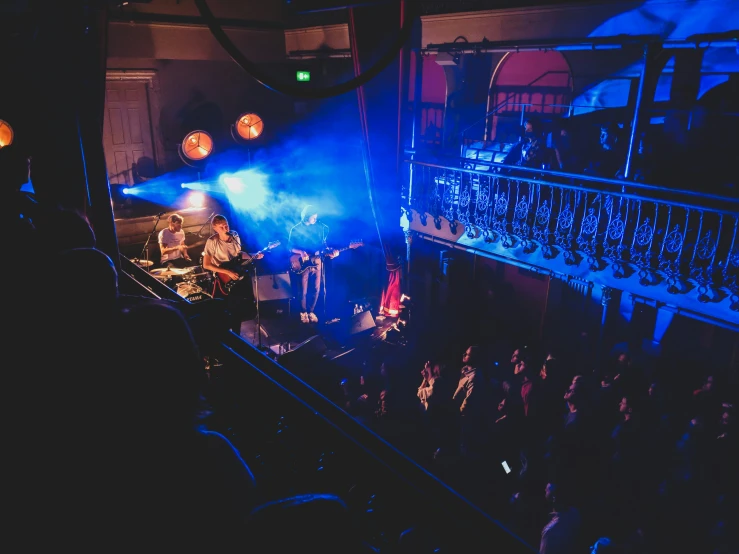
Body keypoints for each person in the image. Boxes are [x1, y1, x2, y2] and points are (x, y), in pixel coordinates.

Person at [201, 214, 263, 332]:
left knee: (237, 307)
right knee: (222, 308)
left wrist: (254, 255)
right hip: (222, 277)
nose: (226, 229)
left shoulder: (234, 235)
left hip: (235, 274)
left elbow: (239, 255)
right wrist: (227, 272)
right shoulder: (212, 241)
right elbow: (206, 264)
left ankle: (236, 334)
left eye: (226, 225)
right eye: (222, 227)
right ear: (215, 228)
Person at [287, 204, 338, 324]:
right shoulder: (296, 229)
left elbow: (323, 245)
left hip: (317, 261)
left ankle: (311, 311)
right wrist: (300, 252)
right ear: (306, 216)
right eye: (313, 217)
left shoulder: (320, 228)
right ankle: (303, 312)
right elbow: (289, 247)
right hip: (303, 262)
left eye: (316, 217)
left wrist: (330, 251)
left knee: (317, 288)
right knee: (303, 290)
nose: (315, 219)